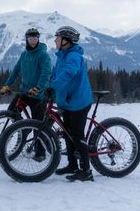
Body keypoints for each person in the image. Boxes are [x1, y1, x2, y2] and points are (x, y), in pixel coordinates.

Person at [0, 28, 52, 161]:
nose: (33, 40)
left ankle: (40, 152)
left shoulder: (43, 55)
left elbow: (46, 73)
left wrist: (38, 88)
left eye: (35, 38)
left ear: (38, 39)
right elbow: (16, 71)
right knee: (11, 112)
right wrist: (7, 84)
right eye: (30, 38)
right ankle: (23, 129)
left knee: (37, 124)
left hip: (38, 95)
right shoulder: (24, 55)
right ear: (27, 39)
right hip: (25, 92)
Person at [50, 26, 94, 181]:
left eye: (57, 37)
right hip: (68, 101)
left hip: (78, 102)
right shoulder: (62, 55)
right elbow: (56, 75)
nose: (55, 40)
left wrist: (53, 87)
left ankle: (86, 171)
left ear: (65, 41)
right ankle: (72, 165)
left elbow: (69, 72)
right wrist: (47, 87)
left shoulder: (73, 56)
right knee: (68, 134)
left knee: (76, 134)